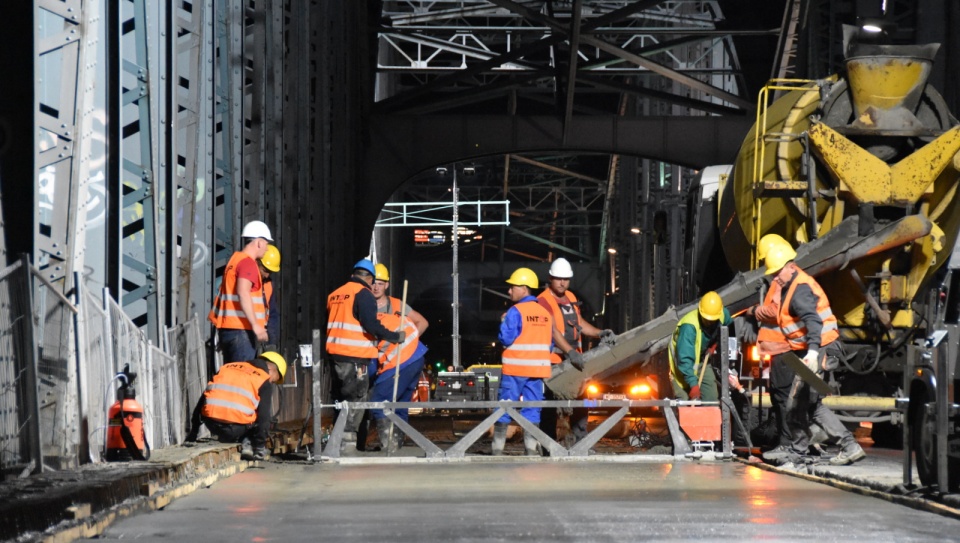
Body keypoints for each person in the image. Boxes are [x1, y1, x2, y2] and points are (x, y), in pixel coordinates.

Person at [761, 242, 866, 466]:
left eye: (778, 272)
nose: (776, 278)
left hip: (820, 351)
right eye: (774, 274)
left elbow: (813, 322)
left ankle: (806, 452)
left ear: (791, 266)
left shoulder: (799, 290)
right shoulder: (792, 285)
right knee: (809, 405)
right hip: (810, 352)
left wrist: (812, 352)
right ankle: (847, 446)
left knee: (799, 405)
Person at [326, 259, 405, 452]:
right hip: (355, 355)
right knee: (356, 399)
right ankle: (348, 443)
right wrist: (395, 336)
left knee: (340, 400)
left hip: (335, 355)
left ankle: (337, 441)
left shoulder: (335, 294)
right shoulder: (363, 294)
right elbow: (371, 324)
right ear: (369, 278)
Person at [536, 257, 614, 445]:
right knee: (550, 406)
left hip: (575, 360)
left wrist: (599, 333)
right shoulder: (543, 301)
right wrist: (570, 352)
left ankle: (581, 442)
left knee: (581, 402)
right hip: (554, 361)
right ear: (550, 278)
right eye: (558, 278)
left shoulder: (571, 297)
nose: (562, 282)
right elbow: (553, 331)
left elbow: (579, 324)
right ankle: (549, 446)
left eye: (566, 279)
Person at [492, 267, 553, 456]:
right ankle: (531, 449)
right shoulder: (545, 314)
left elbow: (505, 339)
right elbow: (549, 345)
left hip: (515, 369)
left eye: (513, 287)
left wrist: (503, 322)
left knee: (505, 406)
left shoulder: (515, 311)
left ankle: (497, 449)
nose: (509, 291)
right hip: (538, 371)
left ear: (524, 289)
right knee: (533, 409)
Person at [195, 351, 287, 461]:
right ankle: (247, 443)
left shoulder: (227, 367)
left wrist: (193, 433)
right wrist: (260, 446)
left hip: (211, 423)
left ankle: (235, 438)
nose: (271, 382)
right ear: (271, 370)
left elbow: (204, 397)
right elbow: (264, 417)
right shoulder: (263, 379)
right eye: (274, 379)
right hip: (235, 429)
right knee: (257, 411)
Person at [208, 220, 273, 363]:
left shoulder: (234, 260)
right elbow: (243, 292)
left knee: (232, 377)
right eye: (266, 244)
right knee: (241, 378)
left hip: (229, 329)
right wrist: (256, 325)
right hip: (241, 330)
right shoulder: (248, 263)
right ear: (259, 243)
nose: (267, 249)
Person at [369, 312, 428, 453]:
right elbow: (422, 323)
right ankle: (398, 444)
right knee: (400, 403)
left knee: (379, 403)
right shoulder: (390, 314)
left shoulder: (368, 323)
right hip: (417, 355)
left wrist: (370, 381)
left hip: (401, 361)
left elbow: (371, 361)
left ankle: (390, 447)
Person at [668, 291, 732, 401]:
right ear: (700, 311)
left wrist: (714, 345)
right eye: (706, 319)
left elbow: (726, 326)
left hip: (701, 361)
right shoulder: (689, 327)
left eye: (712, 320)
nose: (709, 322)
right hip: (681, 367)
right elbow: (684, 359)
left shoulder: (722, 314)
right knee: (684, 401)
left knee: (711, 399)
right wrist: (693, 384)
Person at [371, 263, 429, 335]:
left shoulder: (396, 304)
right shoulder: (362, 304)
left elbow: (423, 323)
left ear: (386, 285)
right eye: (373, 283)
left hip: (390, 345)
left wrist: (409, 341)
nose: (376, 288)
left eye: (380, 284)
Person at [259, 244, 281, 348]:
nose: (267, 275)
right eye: (265, 270)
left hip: (262, 334)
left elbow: (272, 314)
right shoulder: (246, 282)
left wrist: (272, 341)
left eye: (270, 272)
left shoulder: (269, 284)